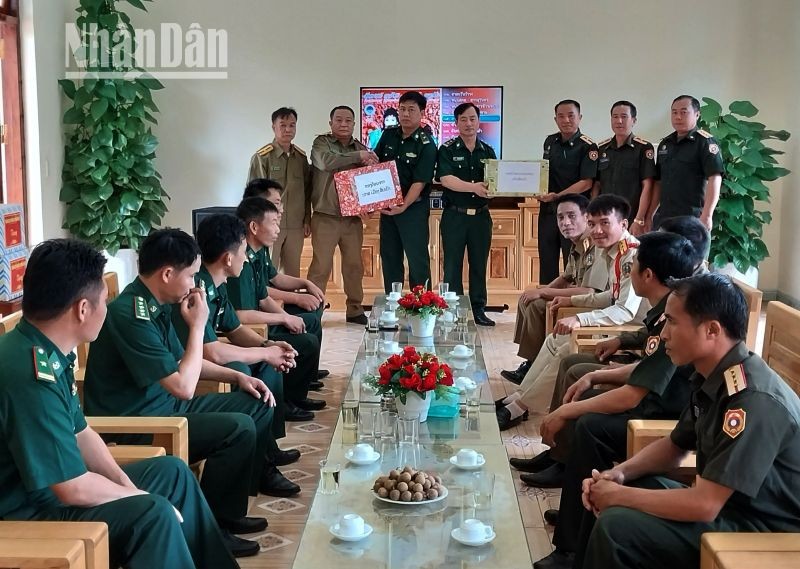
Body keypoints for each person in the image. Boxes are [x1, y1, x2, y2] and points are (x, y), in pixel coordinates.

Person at [3, 239, 236, 568]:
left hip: (54, 493)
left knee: (171, 473)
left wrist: (126, 485)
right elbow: (73, 489)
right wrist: (140, 497)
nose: (107, 306)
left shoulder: (45, 351)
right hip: (29, 512)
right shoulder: (29, 373)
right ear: (83, 309)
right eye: (103, 298)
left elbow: (82, 435)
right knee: (152, 514)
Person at [84, 229, 300, 558]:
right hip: (141, 422)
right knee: (238, 428)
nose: (193, 284)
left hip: (166, 407)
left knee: (254, 401)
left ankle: (226, 514)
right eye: (189, 275)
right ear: (167, 274)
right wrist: (198, 325)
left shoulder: (154, 304)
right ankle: (214, 524)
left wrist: (237, 378)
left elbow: (185, 364)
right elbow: (184, 386)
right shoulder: (132, 314)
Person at [577, 273, 800, 569]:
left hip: (765, 531)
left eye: (672, 321)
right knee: (634, 482)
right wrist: (618, 475)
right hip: (728, 508)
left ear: (711, 330)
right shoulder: (713, 375)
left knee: (617, 527)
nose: (664, 334)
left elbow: (706, 505)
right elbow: (675, 445)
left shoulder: (753, 400)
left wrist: (620, 496)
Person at [525, 232, 697, 569]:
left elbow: (636, 394)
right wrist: (595, 376)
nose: (629, 272)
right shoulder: (670, 310)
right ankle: (577, 503)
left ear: (647, 275)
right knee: (584, 389)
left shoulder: (677, 317)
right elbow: (648, 365)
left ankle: (571, 546)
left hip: (660, 417)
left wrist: (567, 409)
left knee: (590, 424)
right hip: (663, 409)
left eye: (634, 267)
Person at [496, 195, 644, 430]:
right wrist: (571, 300)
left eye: (605, 223)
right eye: (593, 223)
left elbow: (625, 310)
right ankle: (518, 397)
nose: (597, 230)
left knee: (566, 349)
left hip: (631, 331)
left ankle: (519, 407)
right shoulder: (612, 251)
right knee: (555, 339)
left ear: (623, 224)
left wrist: (580, 318)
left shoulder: (632, 255)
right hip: (617, 322)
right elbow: (611, 296)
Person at [173, 213, 300, 462]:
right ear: (228, 258)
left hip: (197, 363)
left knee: (267, 365)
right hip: (191, 369)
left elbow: (234, 328)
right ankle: (262, 458)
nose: (246, 257)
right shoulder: (197, 290)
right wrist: (265, 353)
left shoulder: (216, 284)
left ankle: (267, 448)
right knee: (246, 365)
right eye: (243, 250)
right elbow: (213, 352)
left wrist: (268, 344)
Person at [226, 197, 326, 419]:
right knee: (305, 340)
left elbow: (262, 296)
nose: (277, 229)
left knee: (309, 319)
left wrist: (286, 316)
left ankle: (298, 391)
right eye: (273, 222)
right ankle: (288, 401)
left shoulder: (256, 252)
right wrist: (283, 319)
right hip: (254, 329)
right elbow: (239, 315)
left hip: (259, 326)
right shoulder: (238, 264)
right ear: (254, 226)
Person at [501, 194, 596, 384]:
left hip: (590, 305)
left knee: (538, 305)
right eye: (561, 217)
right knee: (528, 298)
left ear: (587, 217)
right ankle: (531, 362)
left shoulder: (594, 244)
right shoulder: (577, 243)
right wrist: (538, 291)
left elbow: (589, 291)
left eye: (571, 216)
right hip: (578, 297)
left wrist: (543, 292)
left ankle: (534, 365)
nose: (565, 222)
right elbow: (566, 276)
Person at [241, 178, 330, 380]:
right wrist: (291, 307)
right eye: (275, 203)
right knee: (306, 336)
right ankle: (296, 393)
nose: (280, 210)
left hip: (263, 312)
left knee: (312, 314)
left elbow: (272, 281)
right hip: (257, 323)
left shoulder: (259, 244)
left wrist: (306, 284)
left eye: (280, 203)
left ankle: (307, 376)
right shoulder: (241, 252)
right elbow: (259, 295)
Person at [308, 105, 378, 325]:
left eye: (348, 121)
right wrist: (358, 156)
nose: (343, 124)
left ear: (354, 124)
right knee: (321, 267)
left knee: (354, 266)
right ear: (331, 123)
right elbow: (326, 162)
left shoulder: (362, 147)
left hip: (352, 219)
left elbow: (368, 182)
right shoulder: (321, 144)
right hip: (325, 216)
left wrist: (371, 204)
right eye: (338, 120)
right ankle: (313, 310)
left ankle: (355, 309)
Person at [437, 102, 498, 326]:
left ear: (479, 121)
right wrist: (474, 187)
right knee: (452, 265)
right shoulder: (448, 149)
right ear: (456, 123)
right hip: (455, 216)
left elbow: (495, 181)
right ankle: (453, 311)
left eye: (472, 118)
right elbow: (446, 179)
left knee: (479, 264)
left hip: (481, 217)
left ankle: (478, 309)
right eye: (463, 119)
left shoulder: (488, 151)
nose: (469, 123)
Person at [374, 90, 437, 291]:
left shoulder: (426, 144)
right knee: (390, 258)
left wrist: (403, 206)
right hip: (387, 209)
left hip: (413, 210)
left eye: (411, 109)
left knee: (417, 261)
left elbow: (420, 181)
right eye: (402, 109)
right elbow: (374, 167)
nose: (405, 114)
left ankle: (421, 308)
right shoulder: (388, 135)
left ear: (422, 113)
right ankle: (393, 307)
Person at [537, 100, 599, 284]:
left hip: (574, 214)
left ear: (580, 117)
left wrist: (558, 196)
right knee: (546, 257)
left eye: (571, 115)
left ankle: (568, 304)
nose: (566, 120)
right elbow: (543, 173)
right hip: (549, 210)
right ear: (555, 119)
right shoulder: (550, 141)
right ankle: (545, 303)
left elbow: (586, 183)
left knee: (572, 260)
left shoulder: (588, 146)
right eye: (561, 116)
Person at [247, 107, 312, 276]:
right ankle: (267, 303)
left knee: (292, 274)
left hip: (296, 225)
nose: (288, 129)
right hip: (270, 224)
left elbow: (307, 191)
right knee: (268, 272)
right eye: (282, 125)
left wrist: (307, 220)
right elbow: (253, 195)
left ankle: (290, 303)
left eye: (292, 125)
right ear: (273, 127)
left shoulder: (301, 158)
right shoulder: (262, 157)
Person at [648, 95, 724, 231]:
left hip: (693, 220)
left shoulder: (705, 142)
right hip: (664, 219)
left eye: (684, 112)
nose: (678, 117)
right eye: (674, 112)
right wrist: (650, 215)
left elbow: (715, 178)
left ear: (697, 114)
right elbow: (658, 183)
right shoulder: (665, 144)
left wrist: (707, 215)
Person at [592, 101, 657, 234]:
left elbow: (648, 185)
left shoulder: (643, 148)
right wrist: (593, 214)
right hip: (605, 218)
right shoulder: (602, 149)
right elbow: (597, 185)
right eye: (615, 117)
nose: (619, 121)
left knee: (632, 254)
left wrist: (639, 219)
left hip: (631, 218)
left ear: (633, 120)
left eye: (624, 116)